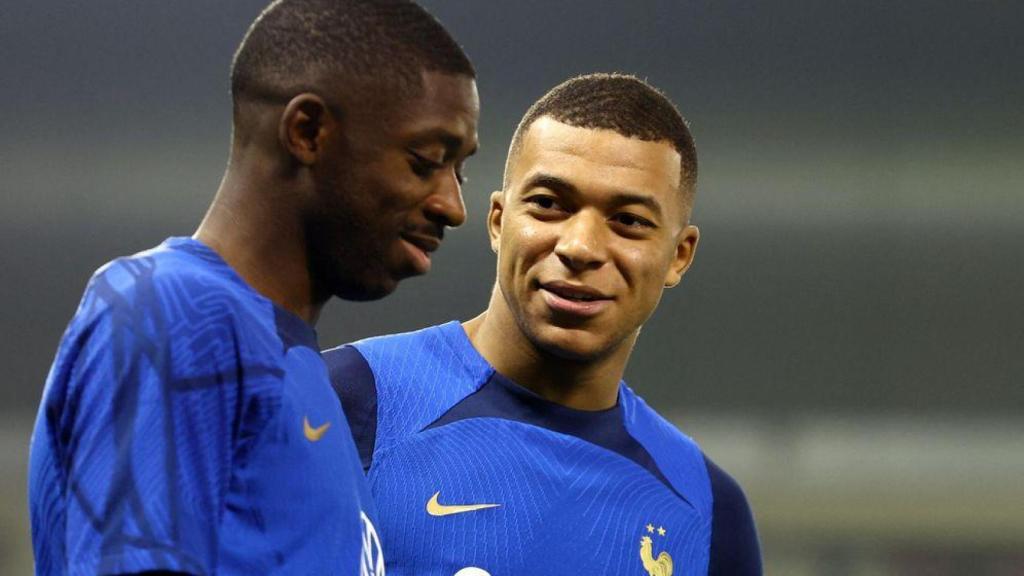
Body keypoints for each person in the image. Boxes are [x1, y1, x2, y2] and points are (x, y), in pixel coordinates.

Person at [28, 0, 478, 574]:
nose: (452, 206)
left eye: (460, 171)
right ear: (307, 131)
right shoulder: (171, 311)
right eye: (425, 161)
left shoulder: (299, 375)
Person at [324, 73, 761, 575]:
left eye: (629, 221)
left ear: (678, 256)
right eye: (549, 205)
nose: (580, 247)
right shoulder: (347, 400)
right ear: (497, 220)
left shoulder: (708, 512)